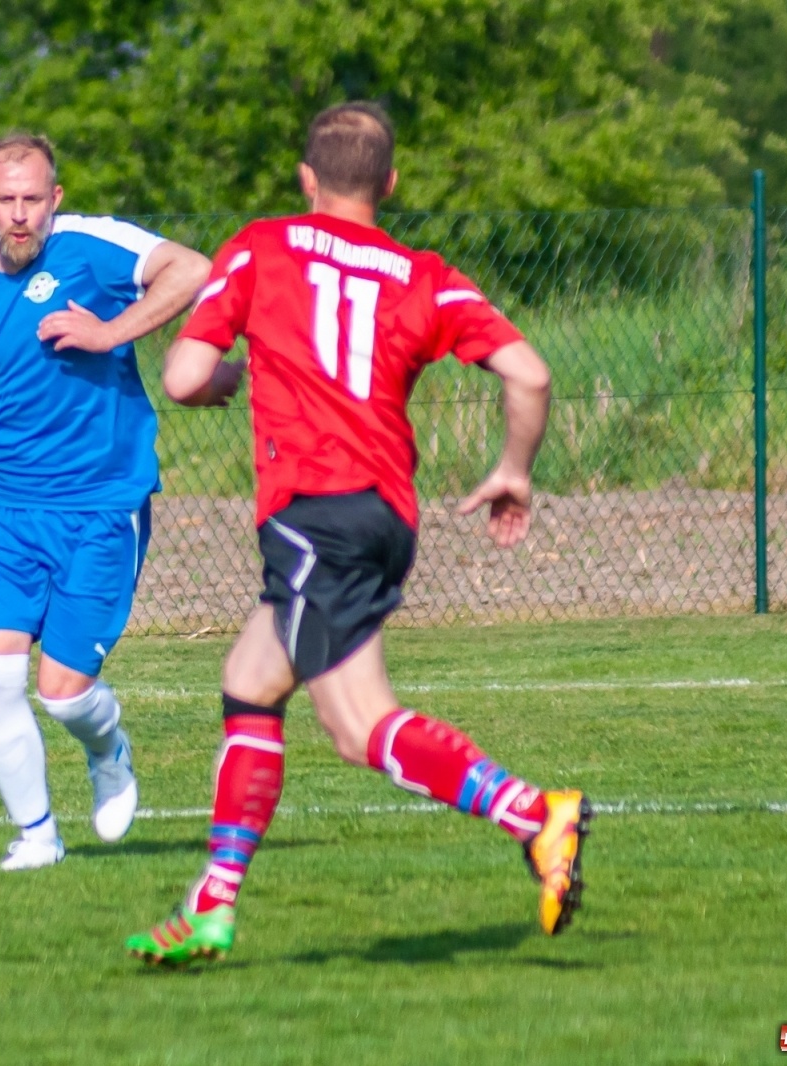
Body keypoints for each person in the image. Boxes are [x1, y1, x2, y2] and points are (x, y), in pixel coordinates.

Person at [125, 103, 589, 963]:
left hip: (314, 515)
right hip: (381, 512)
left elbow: (185, 378)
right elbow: (530, 371)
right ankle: (214, 906)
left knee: (356, 725)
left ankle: (535, 813)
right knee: (250, 682)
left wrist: (232, 377)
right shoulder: (422, 274)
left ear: (306, 178)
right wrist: (512, 468)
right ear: (389, 183)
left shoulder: (262, 246)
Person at [0, 133, 211, 871]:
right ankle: (37, 838)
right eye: (7, 201)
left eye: (34, 200)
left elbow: (192, 270)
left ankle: (108, 748)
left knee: (61, 695)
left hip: (99, 505)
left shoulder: (94, 247)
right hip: (5, 512)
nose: (20, 216)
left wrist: (108, 332)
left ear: (55, 199)